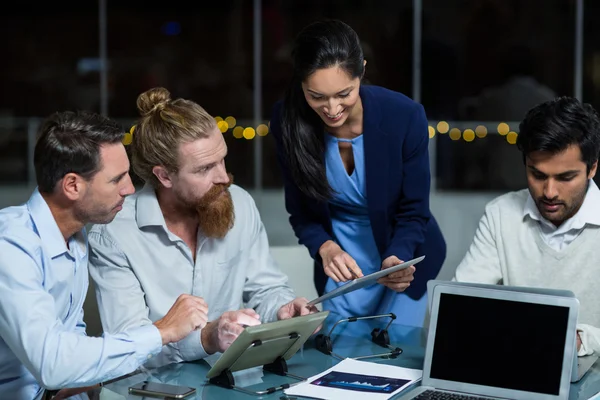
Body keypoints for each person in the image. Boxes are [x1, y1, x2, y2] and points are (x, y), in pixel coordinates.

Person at [88, 87, 317, 367]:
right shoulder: (114, 235)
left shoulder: (240, 204)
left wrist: (283, 309)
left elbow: (266, 289)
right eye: (204, 169)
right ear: (164, 176)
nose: (224, 177)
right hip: (154, 389)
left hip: (234, 382)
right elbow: (128, 345)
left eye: (222, 159)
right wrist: (207, 338)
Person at [0, 111, 209, 400]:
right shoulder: (10, 245)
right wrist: (161, 332)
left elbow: (71, 348)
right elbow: (53, 364)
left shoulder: (77, 237)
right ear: (73, 186)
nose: (130, 189)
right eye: (116, 179)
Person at [269, 19, 446, 326]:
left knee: (396, 346)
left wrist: (398, 256)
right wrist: (325, 247)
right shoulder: (286, 120)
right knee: (337, 348)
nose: (332, 108)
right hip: (341, 258)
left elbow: (415, 211)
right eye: (317, 96)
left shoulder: (404, 117)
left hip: (401, 251)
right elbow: (300, 213)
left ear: (361, 71)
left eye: (344, 93)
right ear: (301, 84)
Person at [454, 96, 600, 355]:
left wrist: (580, 340)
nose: (550, 192)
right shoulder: (501, 214)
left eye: (566, 177)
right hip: (517, 374)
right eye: (538, 175)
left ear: (592, 168)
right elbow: (458, 305)